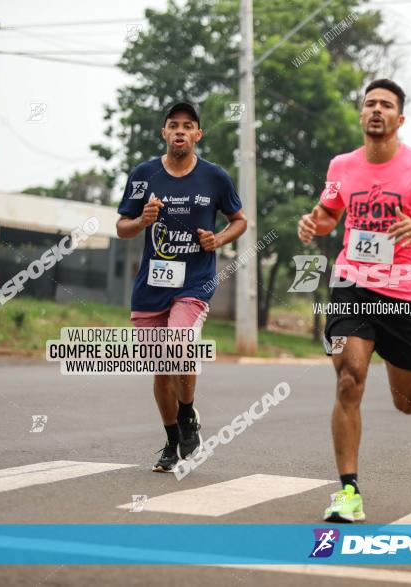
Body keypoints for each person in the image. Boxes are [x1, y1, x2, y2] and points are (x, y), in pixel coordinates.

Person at [297, 79, 411, 522]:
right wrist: (314, 224)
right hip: (351, 284)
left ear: (400, 119)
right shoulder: (341, 166)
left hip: (403, 296)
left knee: (407, 401)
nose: (377, 110)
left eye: (386, 105)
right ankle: (348, 492)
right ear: (361, 114)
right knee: (349, 378)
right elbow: (330, 214)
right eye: (370, 103)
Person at [116, 102, 247, 472]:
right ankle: (172, 441)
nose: (180, 131)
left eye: (188, 126)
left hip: (194, 281)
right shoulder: (144, 175)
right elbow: (121, 227)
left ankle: (188, 412)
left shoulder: (215, 177)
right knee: (160, 368)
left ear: (197, 134)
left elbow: (240, 220)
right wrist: (142, 219)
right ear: (164, 132)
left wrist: (218, 240)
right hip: (150, 287)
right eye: (173, 125)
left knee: (179, 342)